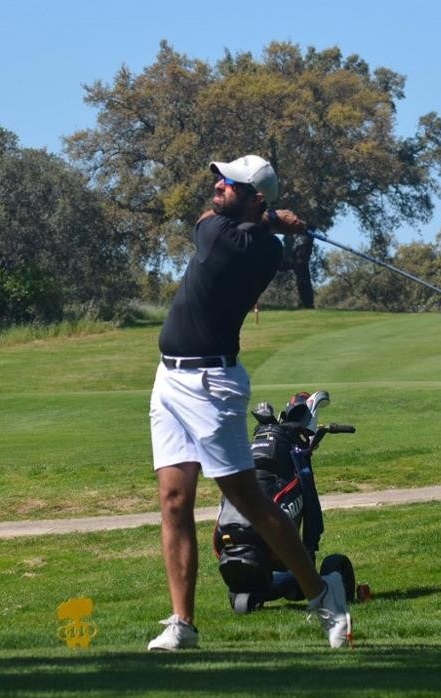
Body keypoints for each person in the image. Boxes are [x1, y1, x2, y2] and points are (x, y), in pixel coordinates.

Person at [146, 154, 351, 651]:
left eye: (230, 183)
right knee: (174, 502)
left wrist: (272, 221)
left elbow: (208, 221)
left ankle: (324, 597)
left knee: (248, 500)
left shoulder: (229, 240)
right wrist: (277, 220)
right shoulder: (265, 243)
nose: (218, 186)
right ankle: (183, 625)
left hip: (213, 385)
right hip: (168, 380)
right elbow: (252, 223)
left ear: (254, 197)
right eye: (219, 178)